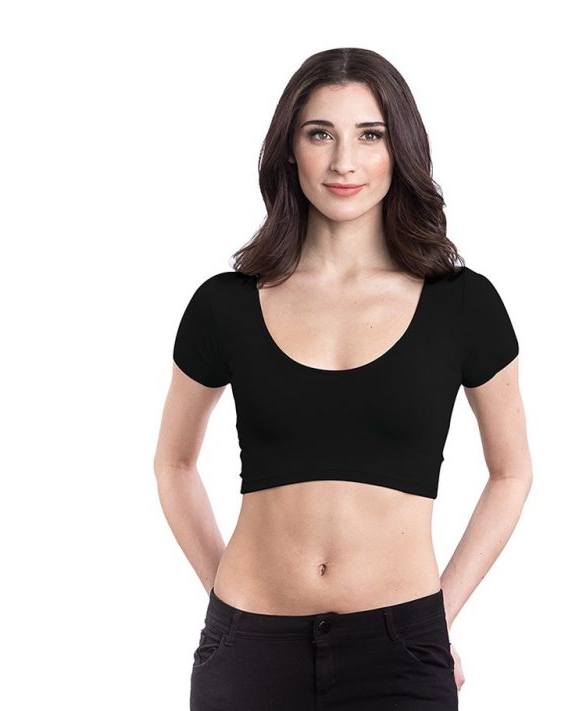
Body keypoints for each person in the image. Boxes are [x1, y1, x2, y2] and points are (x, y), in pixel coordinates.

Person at [153, 47, 533, 711]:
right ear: (289, 150)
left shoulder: (463, 304)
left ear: (400, 149)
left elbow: (512, 472)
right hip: (249, 651)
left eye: (370, 135)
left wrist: (435, 616)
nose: (344, 162)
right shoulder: (225, 304)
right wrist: (227, 604)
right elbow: (174, 463)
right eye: (320, 134)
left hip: (401, 650)